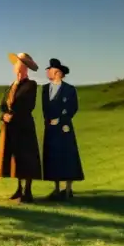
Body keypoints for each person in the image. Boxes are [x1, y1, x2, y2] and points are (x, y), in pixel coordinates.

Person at [0, 52, 43, 203]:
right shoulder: (12, 85)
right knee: (14, 158)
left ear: (24, 67)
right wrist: (4, 115)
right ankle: (19, 188)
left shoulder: (31, 85)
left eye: (18, 64)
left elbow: (27, 105)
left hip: (24, 127)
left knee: (27, 158)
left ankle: (27, 190)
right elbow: (3, 105)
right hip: (11, 127)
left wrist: (13, 116)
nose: (15, 66)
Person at [42, 58, 85, 200]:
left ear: (59, 73)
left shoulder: (69, 89)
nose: (48, 72)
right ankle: (56, 188)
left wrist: (61, 120)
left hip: (64, 127)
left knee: (67, 156)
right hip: (51, 128)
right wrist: (48, 121)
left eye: (51, 70)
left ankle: (68, 189)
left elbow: (73, 107)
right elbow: (45, 108)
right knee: (53, 157)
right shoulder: (45, 89)